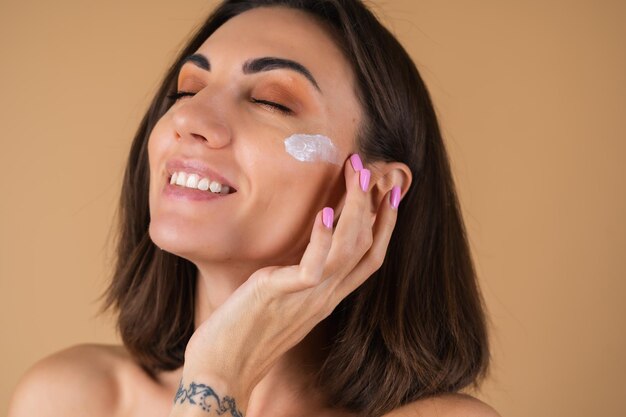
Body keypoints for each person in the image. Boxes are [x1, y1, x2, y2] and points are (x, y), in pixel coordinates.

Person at [8, 1, 500, 416]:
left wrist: (220, 377)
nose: (189, 118)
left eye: (271, 102)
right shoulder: (70, 399)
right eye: (187, 89)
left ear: (373, 193)